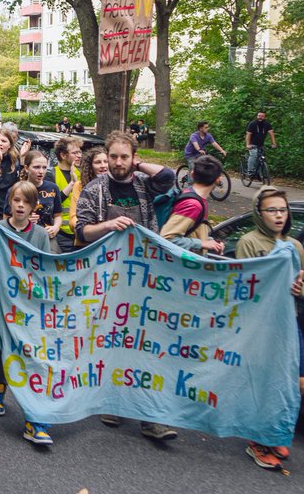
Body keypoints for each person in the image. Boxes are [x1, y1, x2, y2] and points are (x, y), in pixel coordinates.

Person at [76, 131, 178, 440]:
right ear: (106, 157)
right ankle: (113, 401)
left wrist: (140, 164)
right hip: (109, 279)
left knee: (146, 346)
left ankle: (150, 417)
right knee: (114, 343)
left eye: (124, 157)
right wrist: (107, 225)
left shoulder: (144, 185)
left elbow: (169, 177)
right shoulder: (95, 190)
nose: (119, 163)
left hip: (146, 278)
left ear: (133, 158)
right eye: (114, 157)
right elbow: (82, 231)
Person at [236, 185, 304, 470]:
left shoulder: (295, 246)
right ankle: (258, 440)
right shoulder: (249, 242)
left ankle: (273, 428)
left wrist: (297, 288)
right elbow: (243, 286)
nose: (279, 215)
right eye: (272, 210)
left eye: (283, 209)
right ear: (259, 213)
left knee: (301, 384)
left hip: (289, 323)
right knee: (267, 385)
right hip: (263, 327)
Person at [0, 181, 54, 445]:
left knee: (31, 354)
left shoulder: (40, 235)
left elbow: (47, 267)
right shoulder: (0, 229)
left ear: (34, 205)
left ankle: (34, 416)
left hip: (31, 305)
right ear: (10, 203)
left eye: (26, 202)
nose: (21, 206)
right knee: (2, 346)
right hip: (5, 301)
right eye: (16, 201)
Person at [160, 155, 226, 255]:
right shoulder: (193, 205)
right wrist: (201, 244)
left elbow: (192, 231)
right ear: (218, 180)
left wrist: (210, 241)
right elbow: (167, 238)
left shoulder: (190, 194)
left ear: (192, 174)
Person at [65, 146, 107, 249]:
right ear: (90, 166)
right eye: (98, 162)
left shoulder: (115, 185)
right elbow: (73, 218)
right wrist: (85, 229)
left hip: (108, 243)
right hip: (85, 244)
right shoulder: (80, 186)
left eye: (106, 161)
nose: (103, 166)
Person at [18, 149, 62, 242]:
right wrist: (23, 219)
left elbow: (58, 215)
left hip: (47, 237)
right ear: (26, 168)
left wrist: (56, 227)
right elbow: (6, 218)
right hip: (23, 238)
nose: (41, 171)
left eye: (44, 167)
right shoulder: (17, 189)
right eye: (36, 167)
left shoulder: (52, 187)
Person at [51, 137, 82, 252]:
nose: (79, 156)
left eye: (80, 152)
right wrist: (72, 183)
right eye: (75, 153)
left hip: (79, 231)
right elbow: (53, 202)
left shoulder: (82, 174)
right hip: (60, 233)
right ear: (63, 155)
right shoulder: (51, 174)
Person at [244, 111, 277, 179]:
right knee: (253, 155)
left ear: (265, 117)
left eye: (262, 116)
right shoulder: (252, 124)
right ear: (257, 116)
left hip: (261, 144)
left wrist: (273, 143)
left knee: (262, 158)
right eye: (259, 116)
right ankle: (250, 172)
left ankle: (263, 174)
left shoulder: (267, 124)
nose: (260, 117)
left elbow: (271, 134)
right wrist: (248, 145)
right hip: (252, 144)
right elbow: (248, 135)